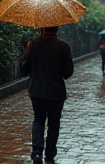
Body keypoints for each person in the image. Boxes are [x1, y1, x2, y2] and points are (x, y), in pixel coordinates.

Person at [21, 26, 74, 164]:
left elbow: (24, 70)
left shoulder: (32, 45)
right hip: (56, 92)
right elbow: (68, 73)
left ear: (42, 27)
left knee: (38, 119)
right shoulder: (64, 46)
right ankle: (50, 154)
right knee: (54, 123)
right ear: (57, 28)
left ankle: (37, 152)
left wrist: (27, 56)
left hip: (36, 91)